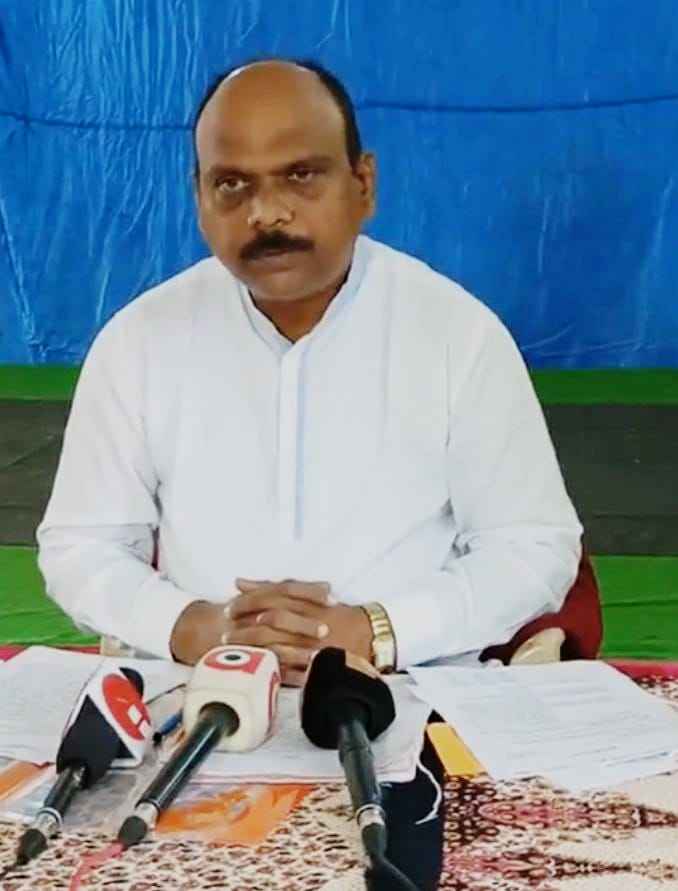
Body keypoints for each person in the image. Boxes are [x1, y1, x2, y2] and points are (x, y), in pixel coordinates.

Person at [37, 58, 583, 687]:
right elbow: (80, 548)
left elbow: (533, 547)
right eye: (232, 184)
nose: (267, 213)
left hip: (411, 689)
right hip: (197, 694)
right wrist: (193, 626)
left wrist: (379, 630)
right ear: (200, 199)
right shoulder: (140, 340)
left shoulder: (457, 334)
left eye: (300, 176)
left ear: (363, 185)